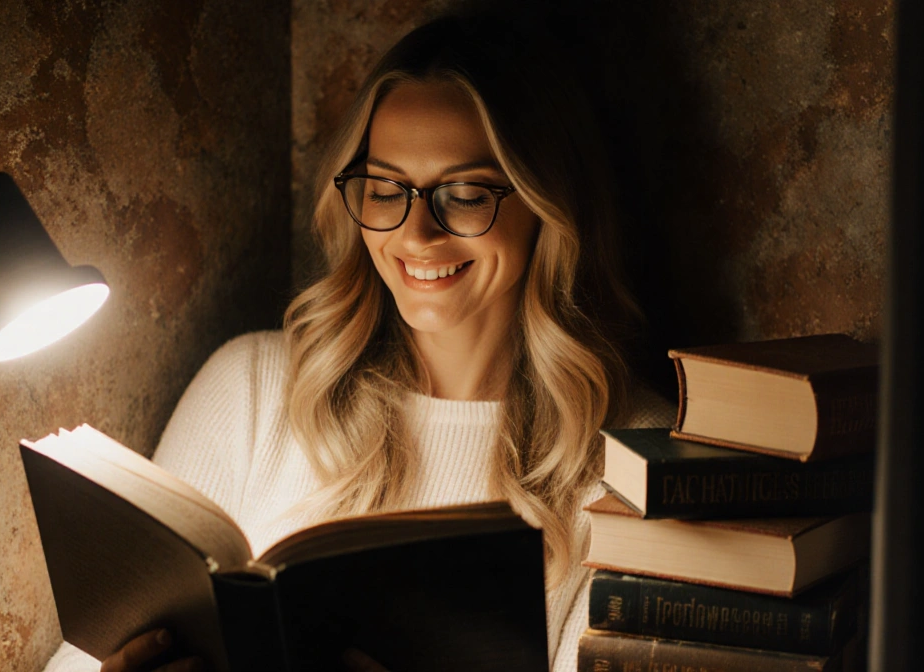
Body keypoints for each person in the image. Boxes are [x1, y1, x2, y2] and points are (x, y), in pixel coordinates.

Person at [44, 12, 672, 672]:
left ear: (550, 207)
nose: (416, 234)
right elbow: (83, 658)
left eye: (463, 193)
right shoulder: (253, 388)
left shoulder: (634, 459)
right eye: (385, 188)